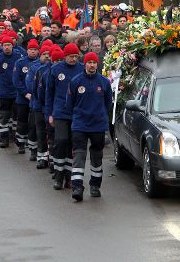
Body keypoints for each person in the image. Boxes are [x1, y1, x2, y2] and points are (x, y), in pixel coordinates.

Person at [67, 52, 112, 201]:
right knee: (79, 156)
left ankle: (95, 185)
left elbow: (108, 104)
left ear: (97, 64)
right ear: (85, 64)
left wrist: (100, 116)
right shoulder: (75, 81)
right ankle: (77, 187)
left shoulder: (104, 82)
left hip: (98, 126)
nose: (92, 65)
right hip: (80, 125)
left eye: (94, 62)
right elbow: (70, 103)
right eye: (89, 62)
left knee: (96, 156)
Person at [45, 43, 84, 190]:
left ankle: (69, 177)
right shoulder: (55, 69)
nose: (73, 59)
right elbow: (49, 94)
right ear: (65, 56)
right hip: (60, 112)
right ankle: (58, 176)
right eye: (70, 56)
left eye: (75, 56)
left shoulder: (81, 69)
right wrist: (49, 114)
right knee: (60, 142)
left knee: (71, 146)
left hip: (76, 113)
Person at [0, 36, 24, 148]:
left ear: (12, 45)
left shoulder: (18, 57)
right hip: (4, 92)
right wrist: (0, 84)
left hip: (16, 92)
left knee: (16, 116)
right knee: (4, 116)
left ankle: (14, 136)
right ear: (1, 46)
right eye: (5, 45)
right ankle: (4, 138)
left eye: (9, 45)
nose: (7, 47)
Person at [13, 39, 40, 156]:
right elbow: (16, 81)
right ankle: (21, 143)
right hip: (23, 98)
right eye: (31, 50)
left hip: (35, 98)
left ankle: (33, 148)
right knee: (22, 122)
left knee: (33, 124)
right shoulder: (20, 62)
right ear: (27, 50)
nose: (33, 52)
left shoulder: (40, 63)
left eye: (35, 50)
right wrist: (25, 93)